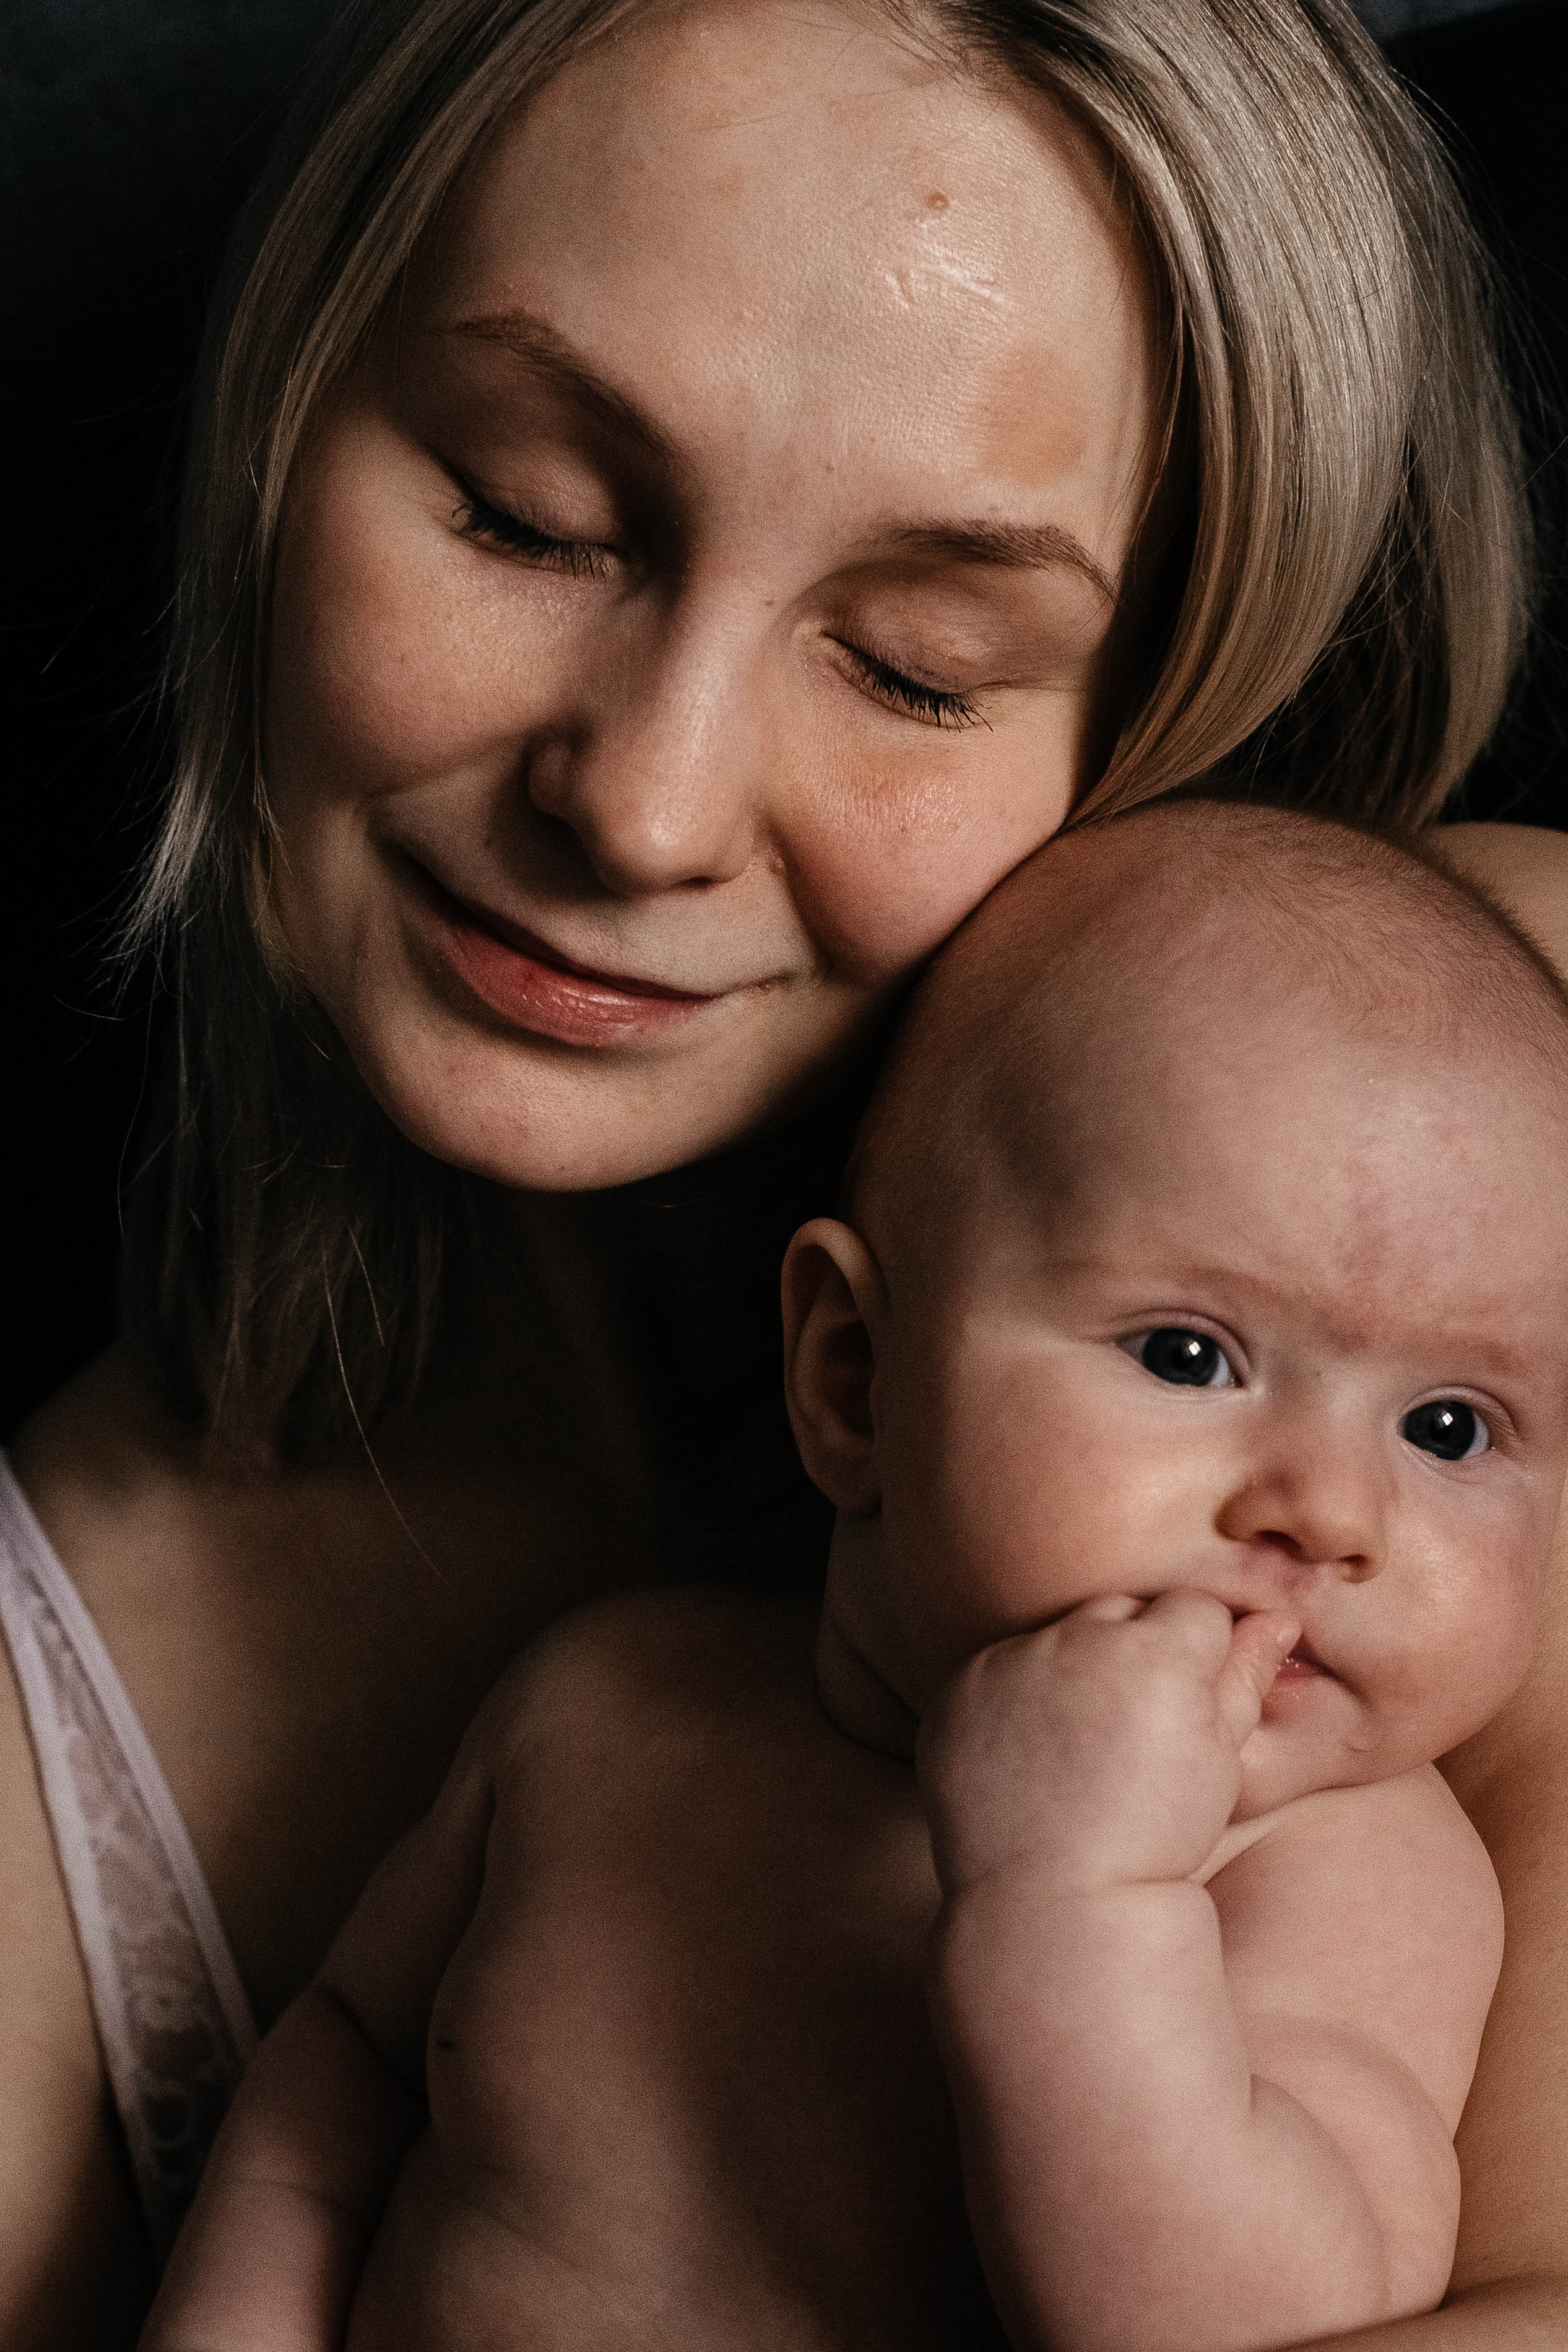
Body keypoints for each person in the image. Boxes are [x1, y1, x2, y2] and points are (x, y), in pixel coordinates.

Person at [1, 0, 1563, 2340]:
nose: (639, 804)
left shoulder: (1484, 1165)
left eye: (922, 667)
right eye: (526, 516)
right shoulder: (73, 1757)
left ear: (1174, 705)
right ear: (274, 433)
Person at [140, 799, 1568, 2352]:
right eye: (1188, 1351)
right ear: (852, 1377)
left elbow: (1251, 2326)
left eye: (1450, 1425)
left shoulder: (1342, 1875)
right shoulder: (611, 1703)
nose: (1331, 1509)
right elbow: (344, 2065)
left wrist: (1081, 1907)